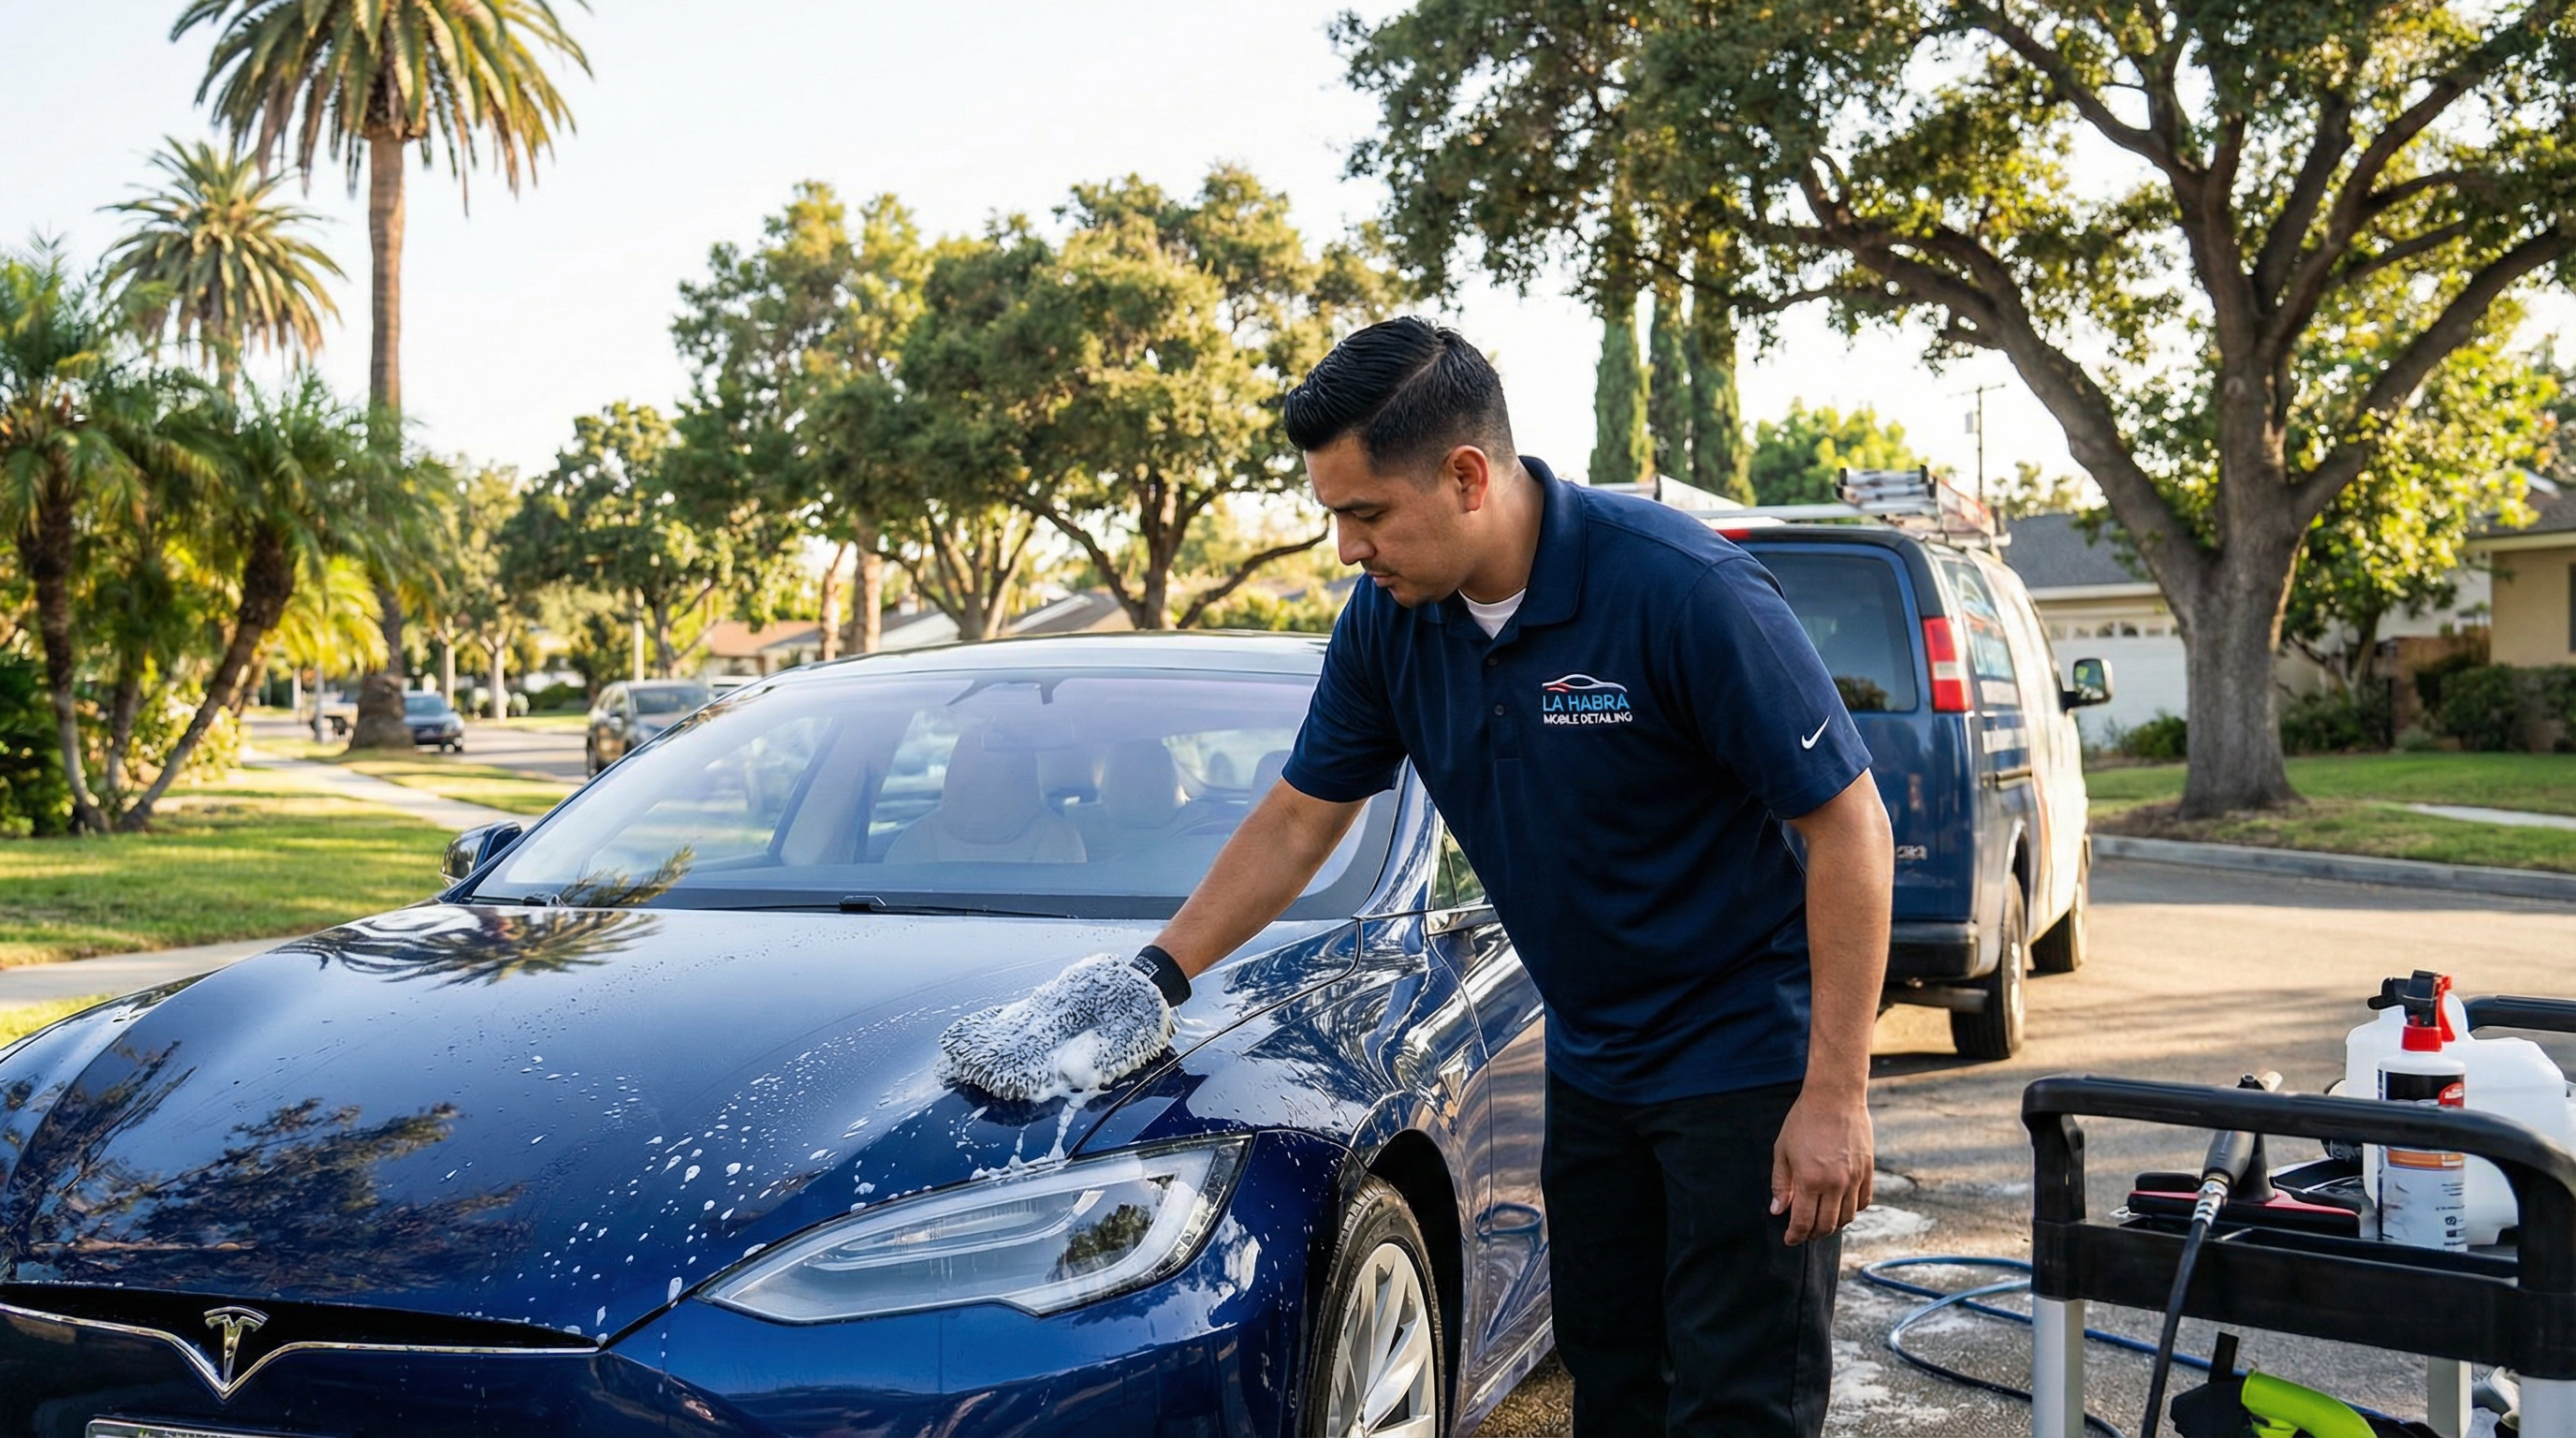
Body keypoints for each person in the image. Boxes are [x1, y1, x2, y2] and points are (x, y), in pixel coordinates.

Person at [939, 315, 1894, 1436]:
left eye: (1366, 514)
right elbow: (1300, 818)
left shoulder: (1682, 592)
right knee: (1614, 1384)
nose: (1348, 548)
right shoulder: (1390, 627)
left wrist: (1835, 1096)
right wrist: (1151, 976)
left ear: (1466, 477)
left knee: (1739, 1403)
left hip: (1745, 1060)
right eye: (1333, 516)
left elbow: (1850, 830)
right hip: (1595, 1063)